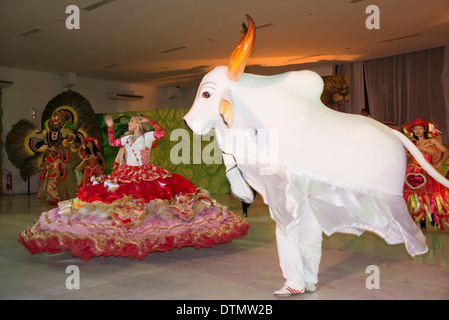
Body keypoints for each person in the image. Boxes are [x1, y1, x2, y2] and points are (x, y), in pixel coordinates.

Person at [18, 114, 249, 261]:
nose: (128, 124)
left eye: (131, 122)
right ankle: (122, 232)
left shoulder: (147, 137)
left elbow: (161, 132)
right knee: (111, 202)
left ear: (139, 124)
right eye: (128, 122)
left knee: (155, 203)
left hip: (146, 174)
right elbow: (112, 142)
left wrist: (149, 119)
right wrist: (109, 126)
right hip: (125, 174)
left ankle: (152, 234)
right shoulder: (127, 140)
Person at [402, 118, 449, 230]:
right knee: (416, 198)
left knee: (431, 196)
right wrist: (423, 148)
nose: (417, 130)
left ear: (424, 130)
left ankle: (432, 219)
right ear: (412, 130)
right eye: (415, 128)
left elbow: (446, 152)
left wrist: (438, 164)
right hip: (412, 172)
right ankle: (421, 223)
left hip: (428, 172)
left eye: (420, 128)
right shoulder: (411, 142)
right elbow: (404, 150)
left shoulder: (432, 141)